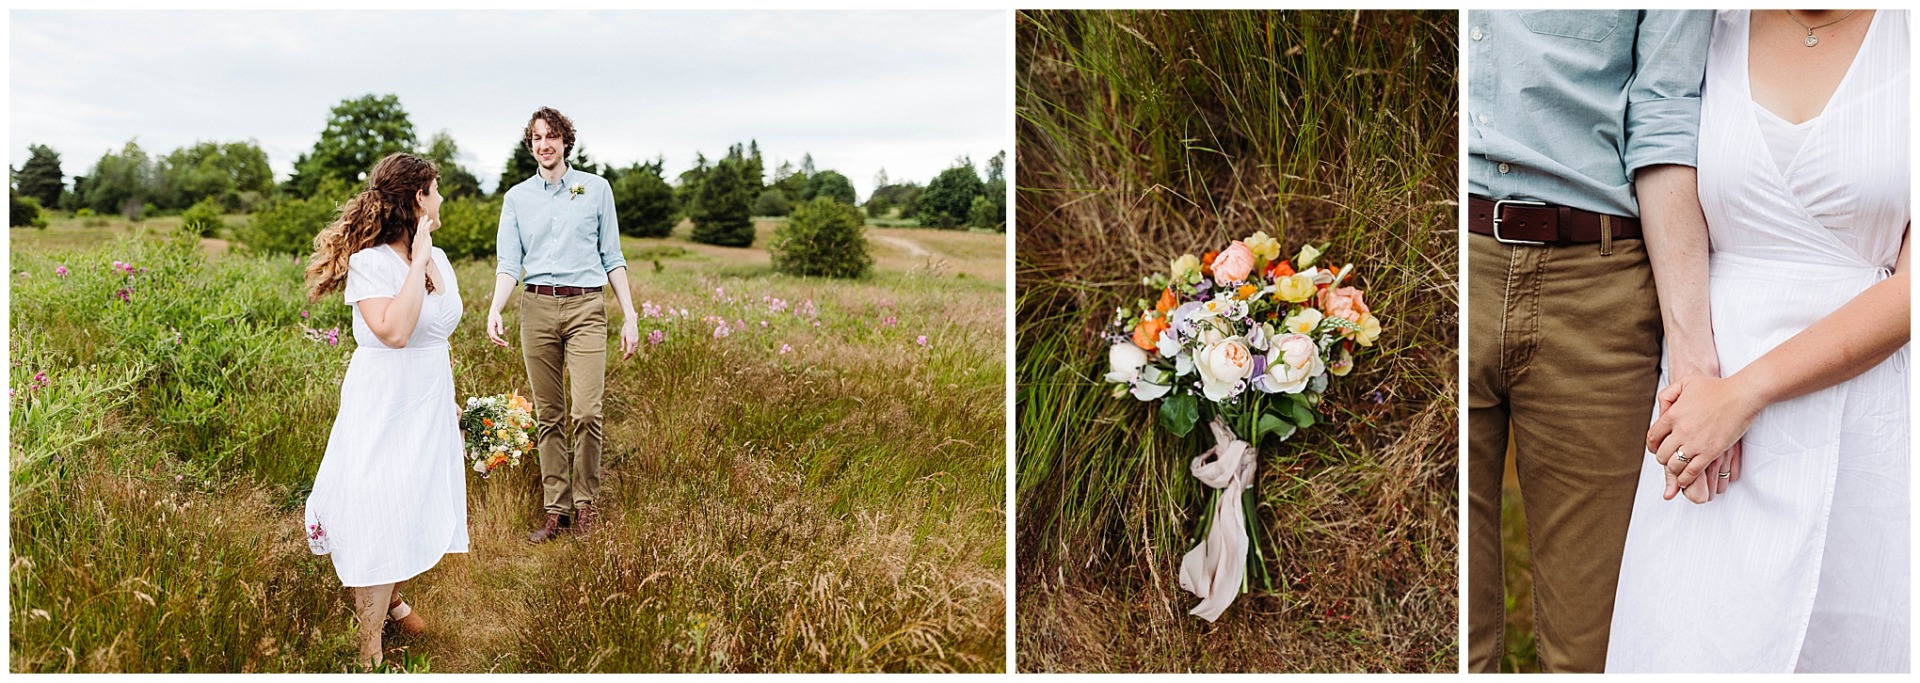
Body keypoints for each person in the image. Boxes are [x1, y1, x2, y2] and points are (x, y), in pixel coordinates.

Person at [1608, 10, 1909, 672]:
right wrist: (1698, 374)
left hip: (1860, 407)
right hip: (1704, 399)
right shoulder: (1706, 26)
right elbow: (1660, 148)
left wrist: (1744, 394)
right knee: (1690, 640)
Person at [1464, 10, 1716, 673]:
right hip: (1447, 255)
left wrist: (1693, 353)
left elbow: (1666, 117)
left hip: (1597, 284)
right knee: (1445, 631)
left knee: (1593, 641)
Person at [301, 153, 468, 668]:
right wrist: (416, 262)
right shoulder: (374, 262)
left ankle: (391, 603)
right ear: (419, 198)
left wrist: (450, 402)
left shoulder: (440, 259)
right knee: (377, 509)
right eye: (436, 190)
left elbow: (435, 333)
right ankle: (368, 652)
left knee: (409, 503)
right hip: (385, 401)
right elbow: (394, 333)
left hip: (427, 398)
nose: (442, 199)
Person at [485, 107, 639, 544]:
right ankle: (557, 509)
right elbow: (509, 263)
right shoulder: (516, 199)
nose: (544, 144)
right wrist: (496, 307)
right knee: (549, 415)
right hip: (535, 308)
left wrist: (629, 315)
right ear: (530, 144)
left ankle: (586, 503)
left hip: (587, 307)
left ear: (565, 142)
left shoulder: (595, 189)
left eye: (551, 136)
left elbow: (613, 256)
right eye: (536, 137)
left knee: (586, 412)